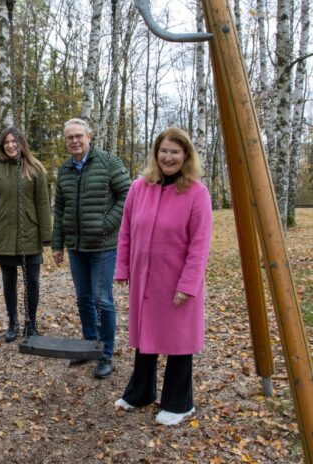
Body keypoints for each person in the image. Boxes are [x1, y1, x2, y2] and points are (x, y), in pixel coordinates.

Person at [113, 127, 212, 425]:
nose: (169, 157)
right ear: (156, 154)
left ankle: (180, 403)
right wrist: (123, 268)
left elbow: (200, 244)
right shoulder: (139, 187)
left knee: (178, 342)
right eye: (164, 151)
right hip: (145, 279)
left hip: (177, 281)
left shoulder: (197, 192)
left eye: (175, 152)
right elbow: (126, 232)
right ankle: (140, 393)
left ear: (186, 156)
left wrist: (188, 285)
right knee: (146, 338)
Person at [51, 118, 131, 378]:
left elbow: (127, 195)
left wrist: (107, 224)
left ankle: (105, 353)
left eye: (78, 136)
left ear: (89, 137)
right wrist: (57, 245)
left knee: (103, 300)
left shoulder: (109, 163)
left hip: (103, 247)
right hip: (76, 247)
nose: (74, 141)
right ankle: (88, 346)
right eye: (69, 137)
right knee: (84, 298)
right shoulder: (64, 170)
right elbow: (60, 209)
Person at [0, 127, 52, 342]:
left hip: (30, 234)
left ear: (22, 144)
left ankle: (31, 324)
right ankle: (13, 323)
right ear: (3, 146)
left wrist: (46, 236)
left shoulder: (36, 169)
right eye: (7, 142)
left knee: (32, 283)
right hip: (3, 236)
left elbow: (42, 204)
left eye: (15, 141)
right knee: (8, 282)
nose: (11, 145)